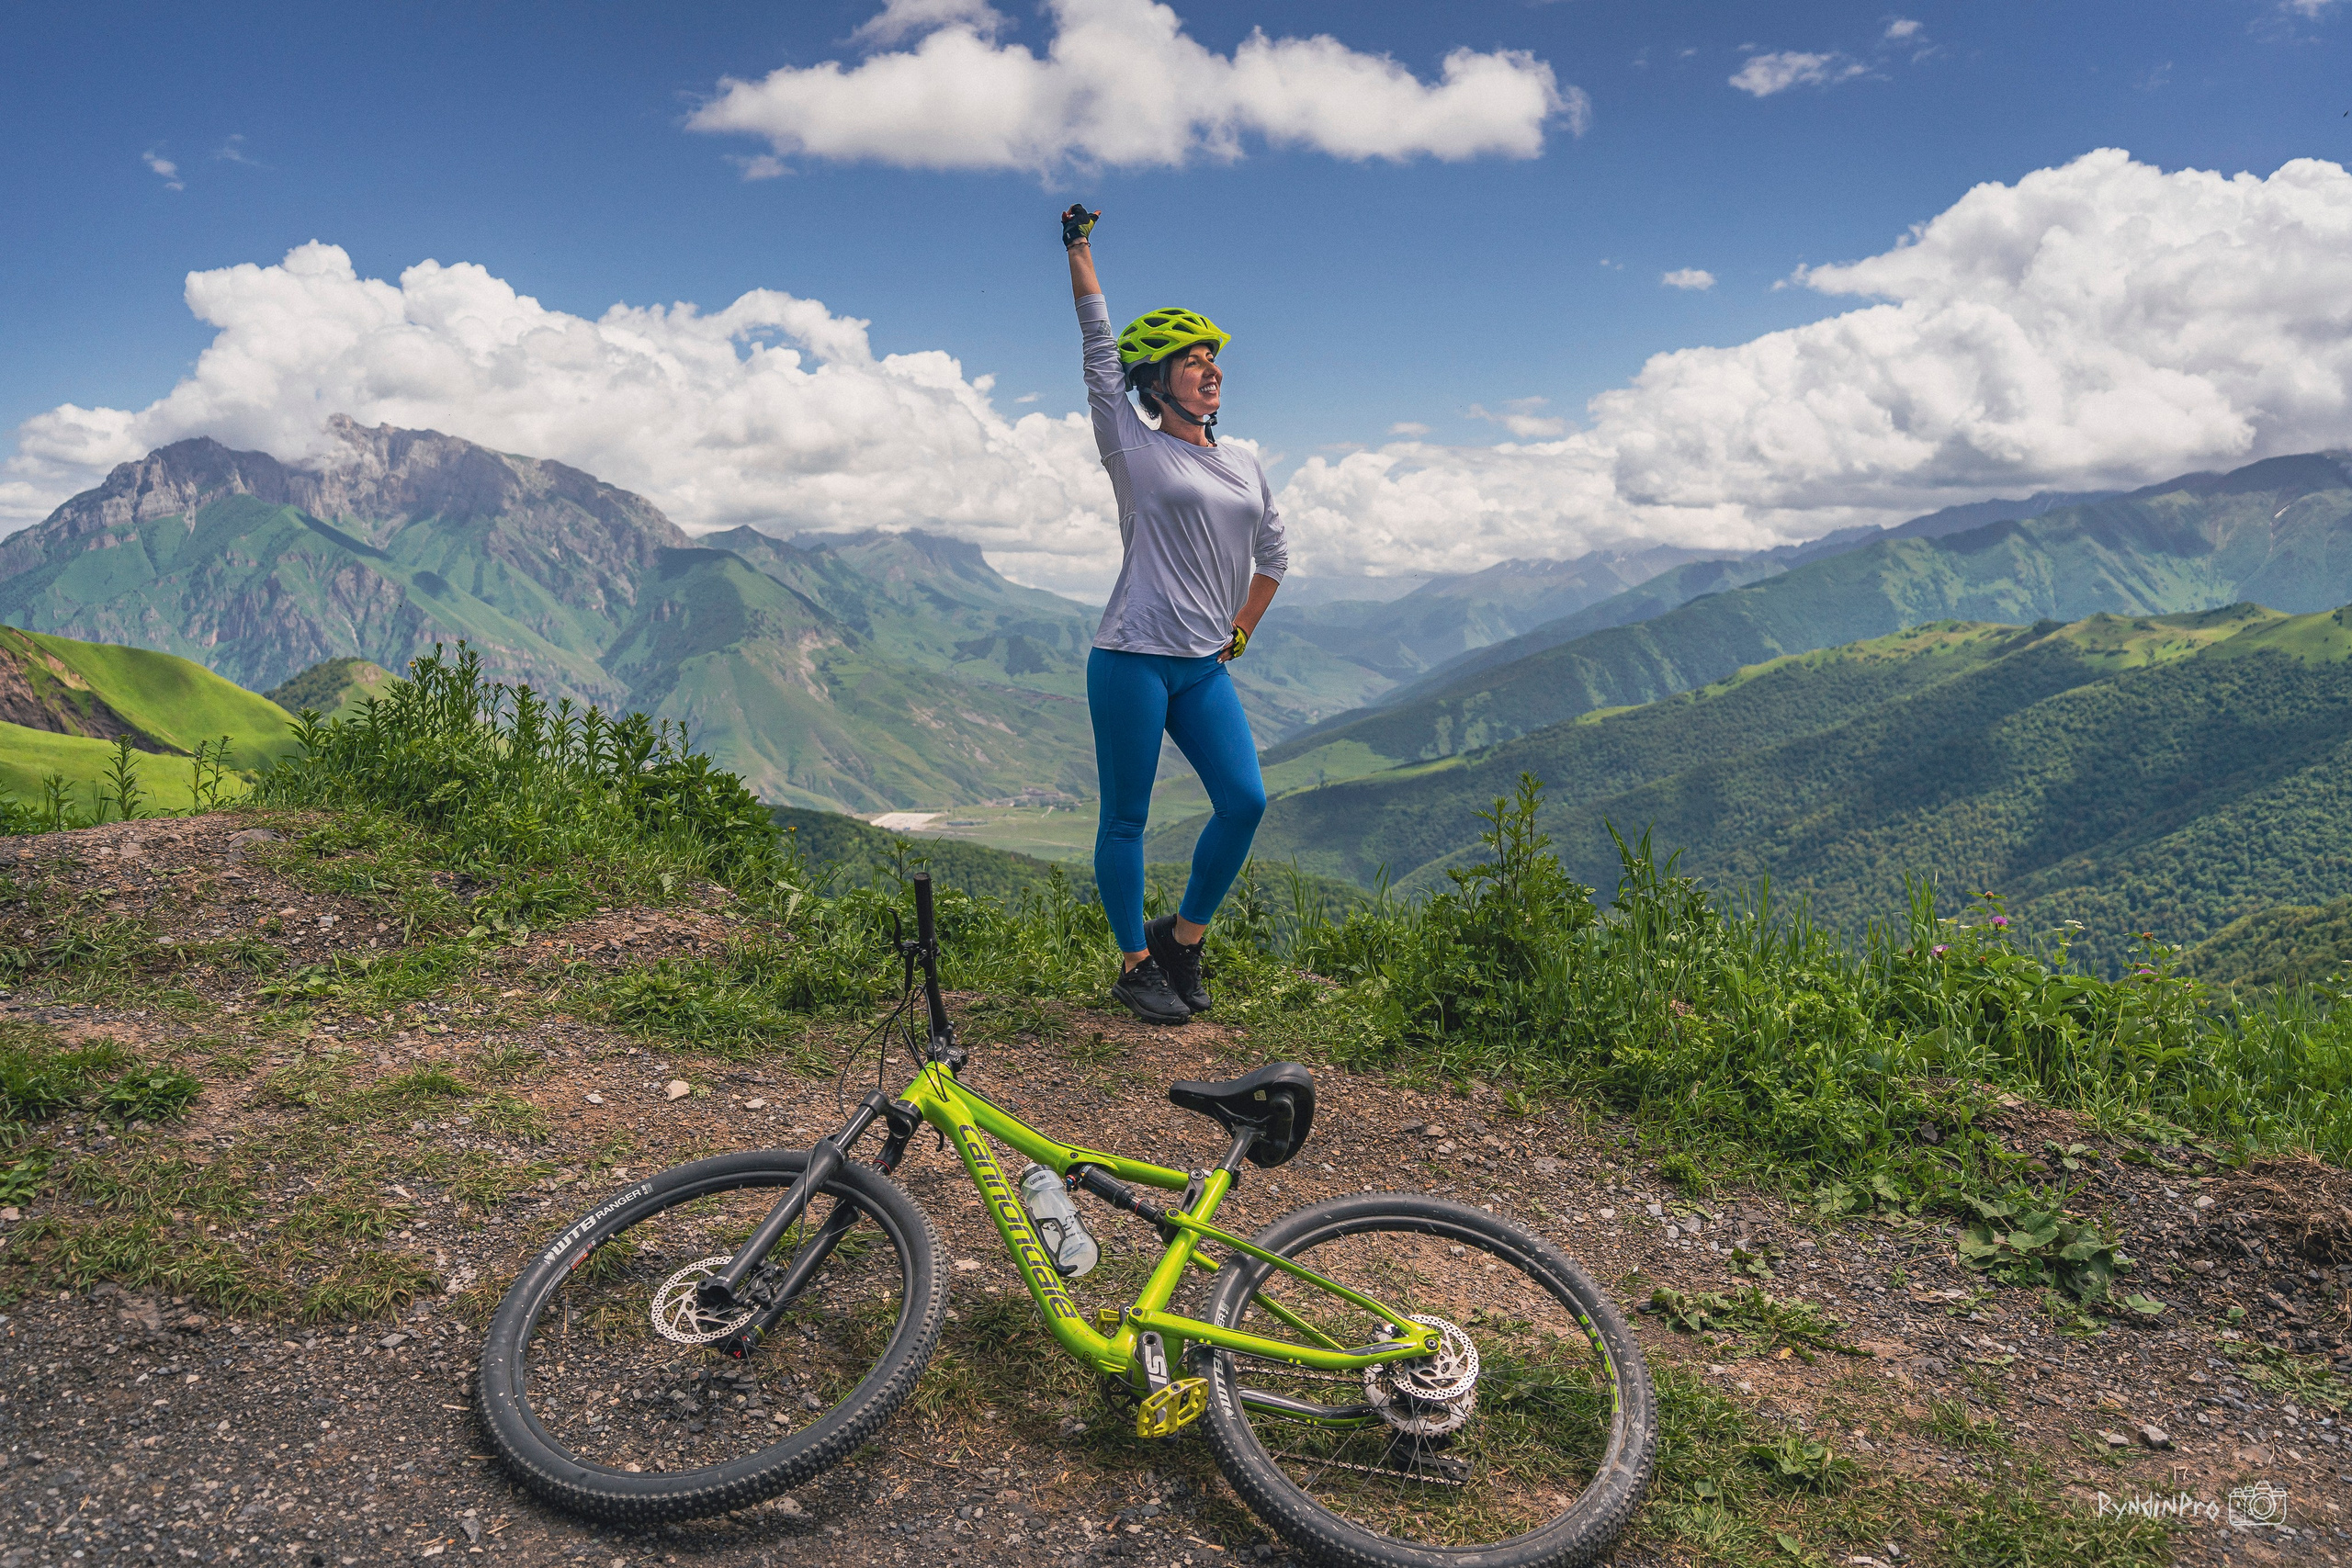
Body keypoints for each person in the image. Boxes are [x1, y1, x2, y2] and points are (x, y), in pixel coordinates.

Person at [1061, 202, 1284, 1026]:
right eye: (1191, 360)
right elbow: (1098, 350)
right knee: (1127, 818)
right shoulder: (1133, 445)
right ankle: (1135, 964)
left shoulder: (1245, 461)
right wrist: (1079, 249)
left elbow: (1275, 557)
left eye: (1212, 357)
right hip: (1130, 658)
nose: (1210, 367)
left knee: (1245, 801)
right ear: (1157, 382)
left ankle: (1183, 940)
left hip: (1200, 668)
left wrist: (1240, 630)